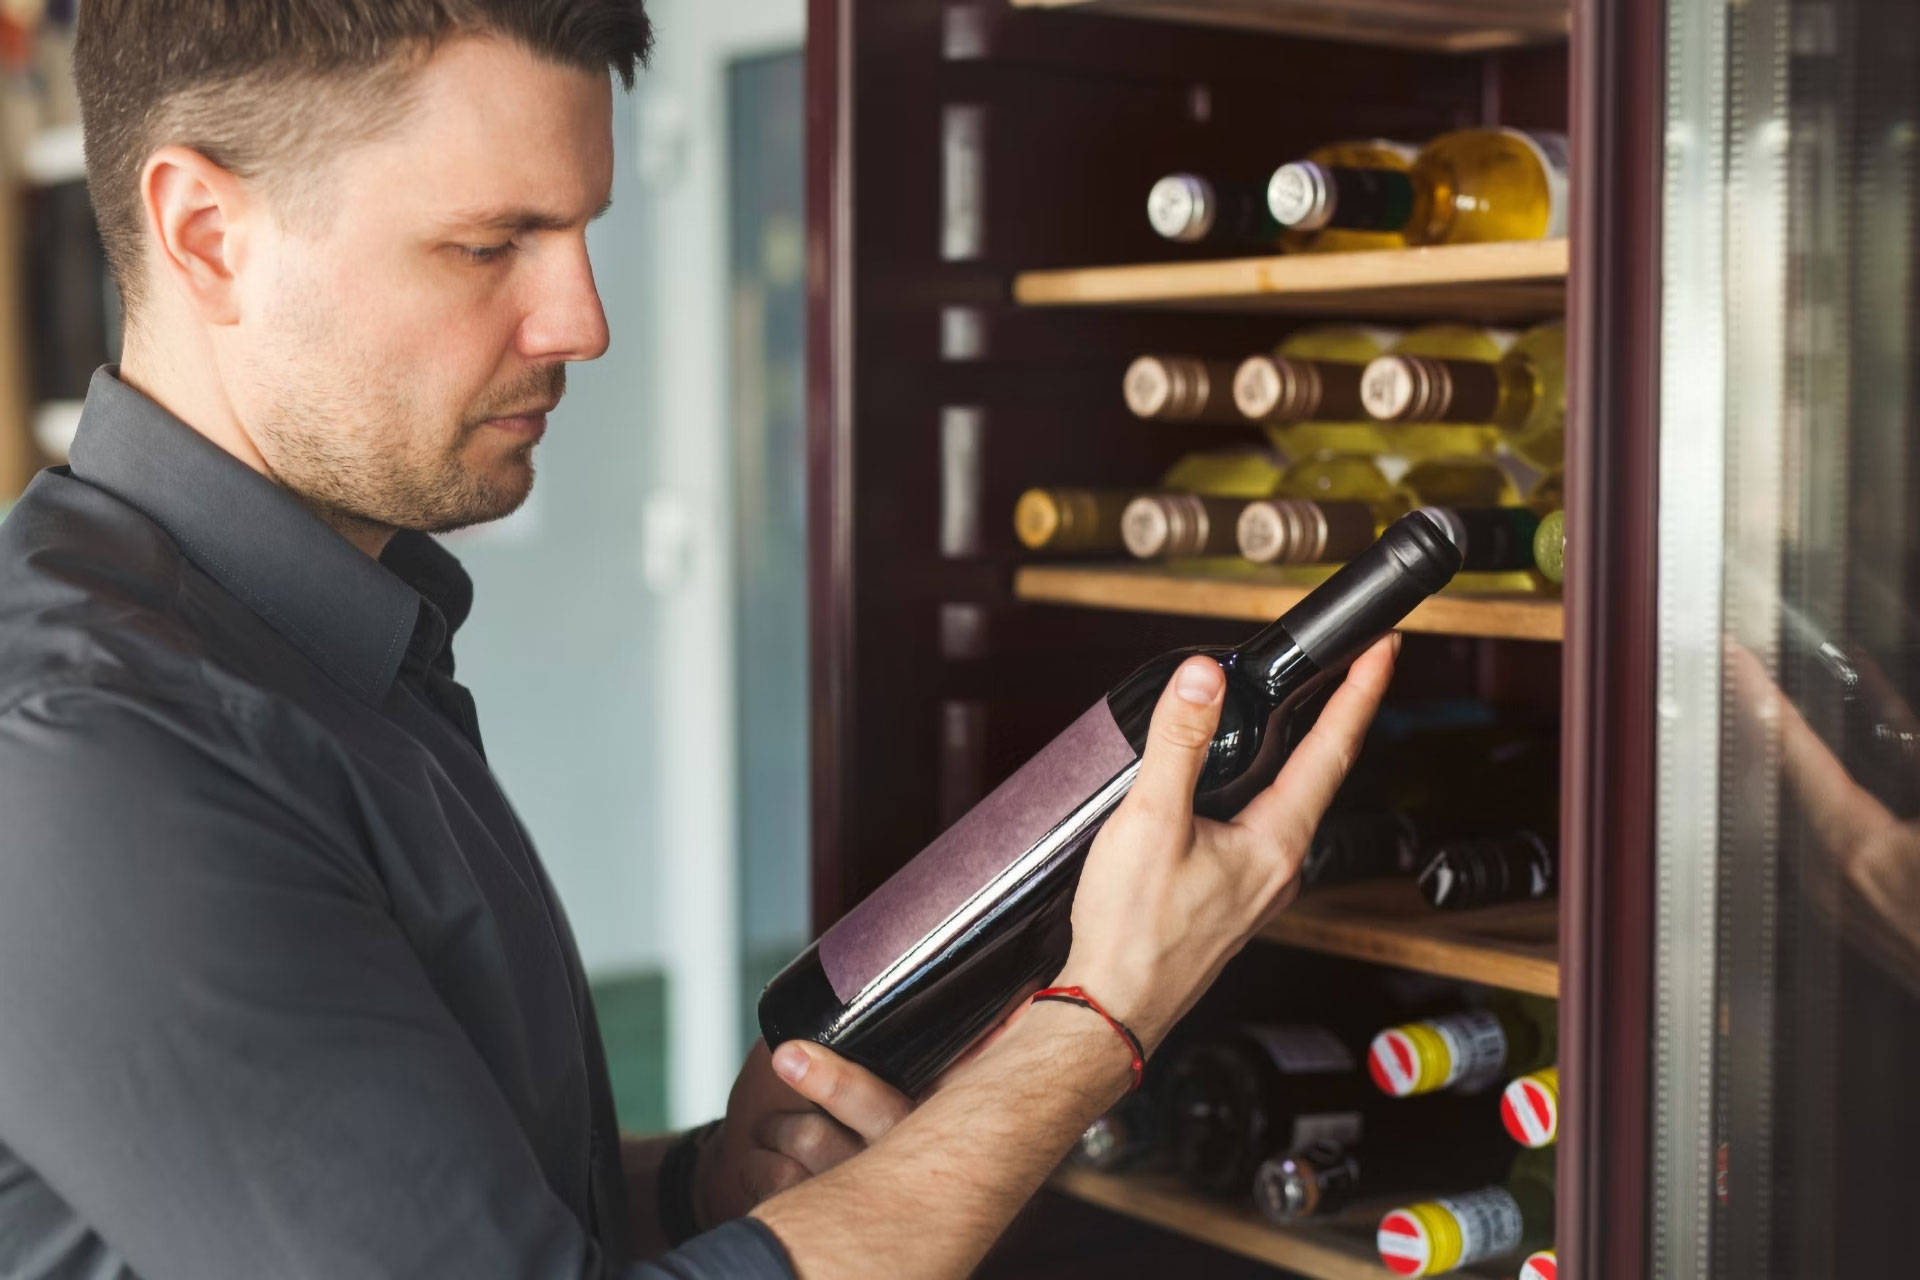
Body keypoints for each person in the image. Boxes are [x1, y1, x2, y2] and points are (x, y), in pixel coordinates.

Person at [0, 3, 1396, 1276]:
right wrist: (1097, 1020)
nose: (582, 321)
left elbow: (428, 1205)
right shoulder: (85, 755)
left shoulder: (309, 641)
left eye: (580, 234)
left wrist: (692, 1196)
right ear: (204, 234)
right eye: (490, 245)